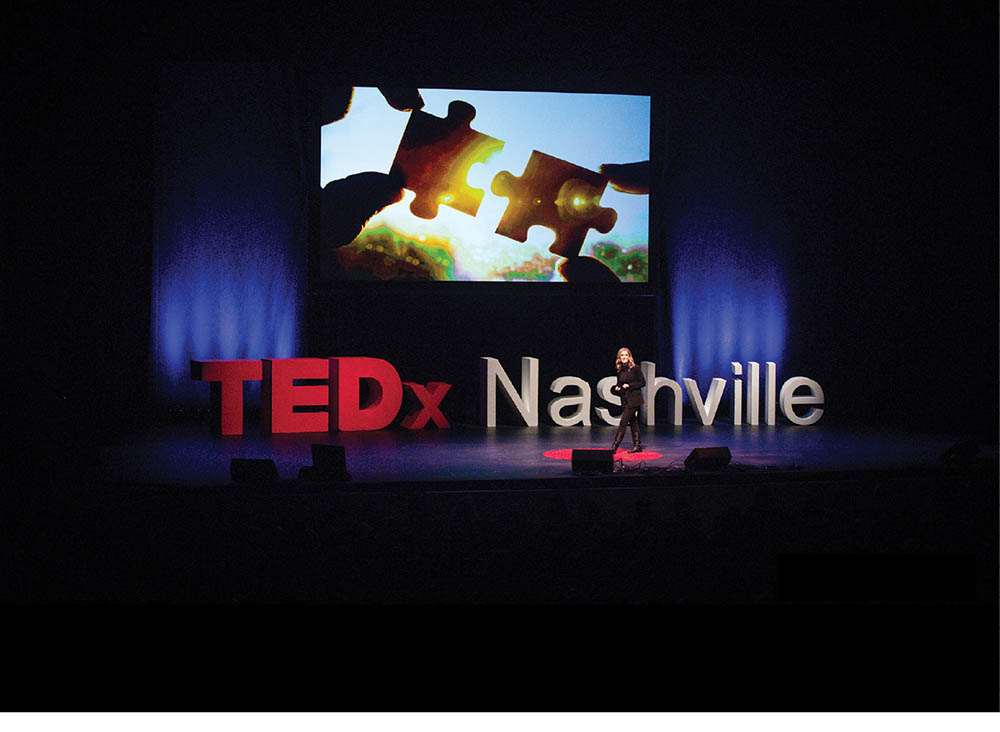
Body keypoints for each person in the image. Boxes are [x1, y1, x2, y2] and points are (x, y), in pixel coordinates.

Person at [611, 347, 646, 453]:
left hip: (634, 399)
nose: (624, 357)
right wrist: (617, 386)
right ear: (619, 358)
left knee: (623, 421)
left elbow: (642, 383)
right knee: (633, 422)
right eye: (622, 355)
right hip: (625, 399)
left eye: (626, 355)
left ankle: (615, 445)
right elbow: (619, 383)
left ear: (629, 357)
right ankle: (637, 445)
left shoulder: (635, 368)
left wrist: (629, 386)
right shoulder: (620, 370)